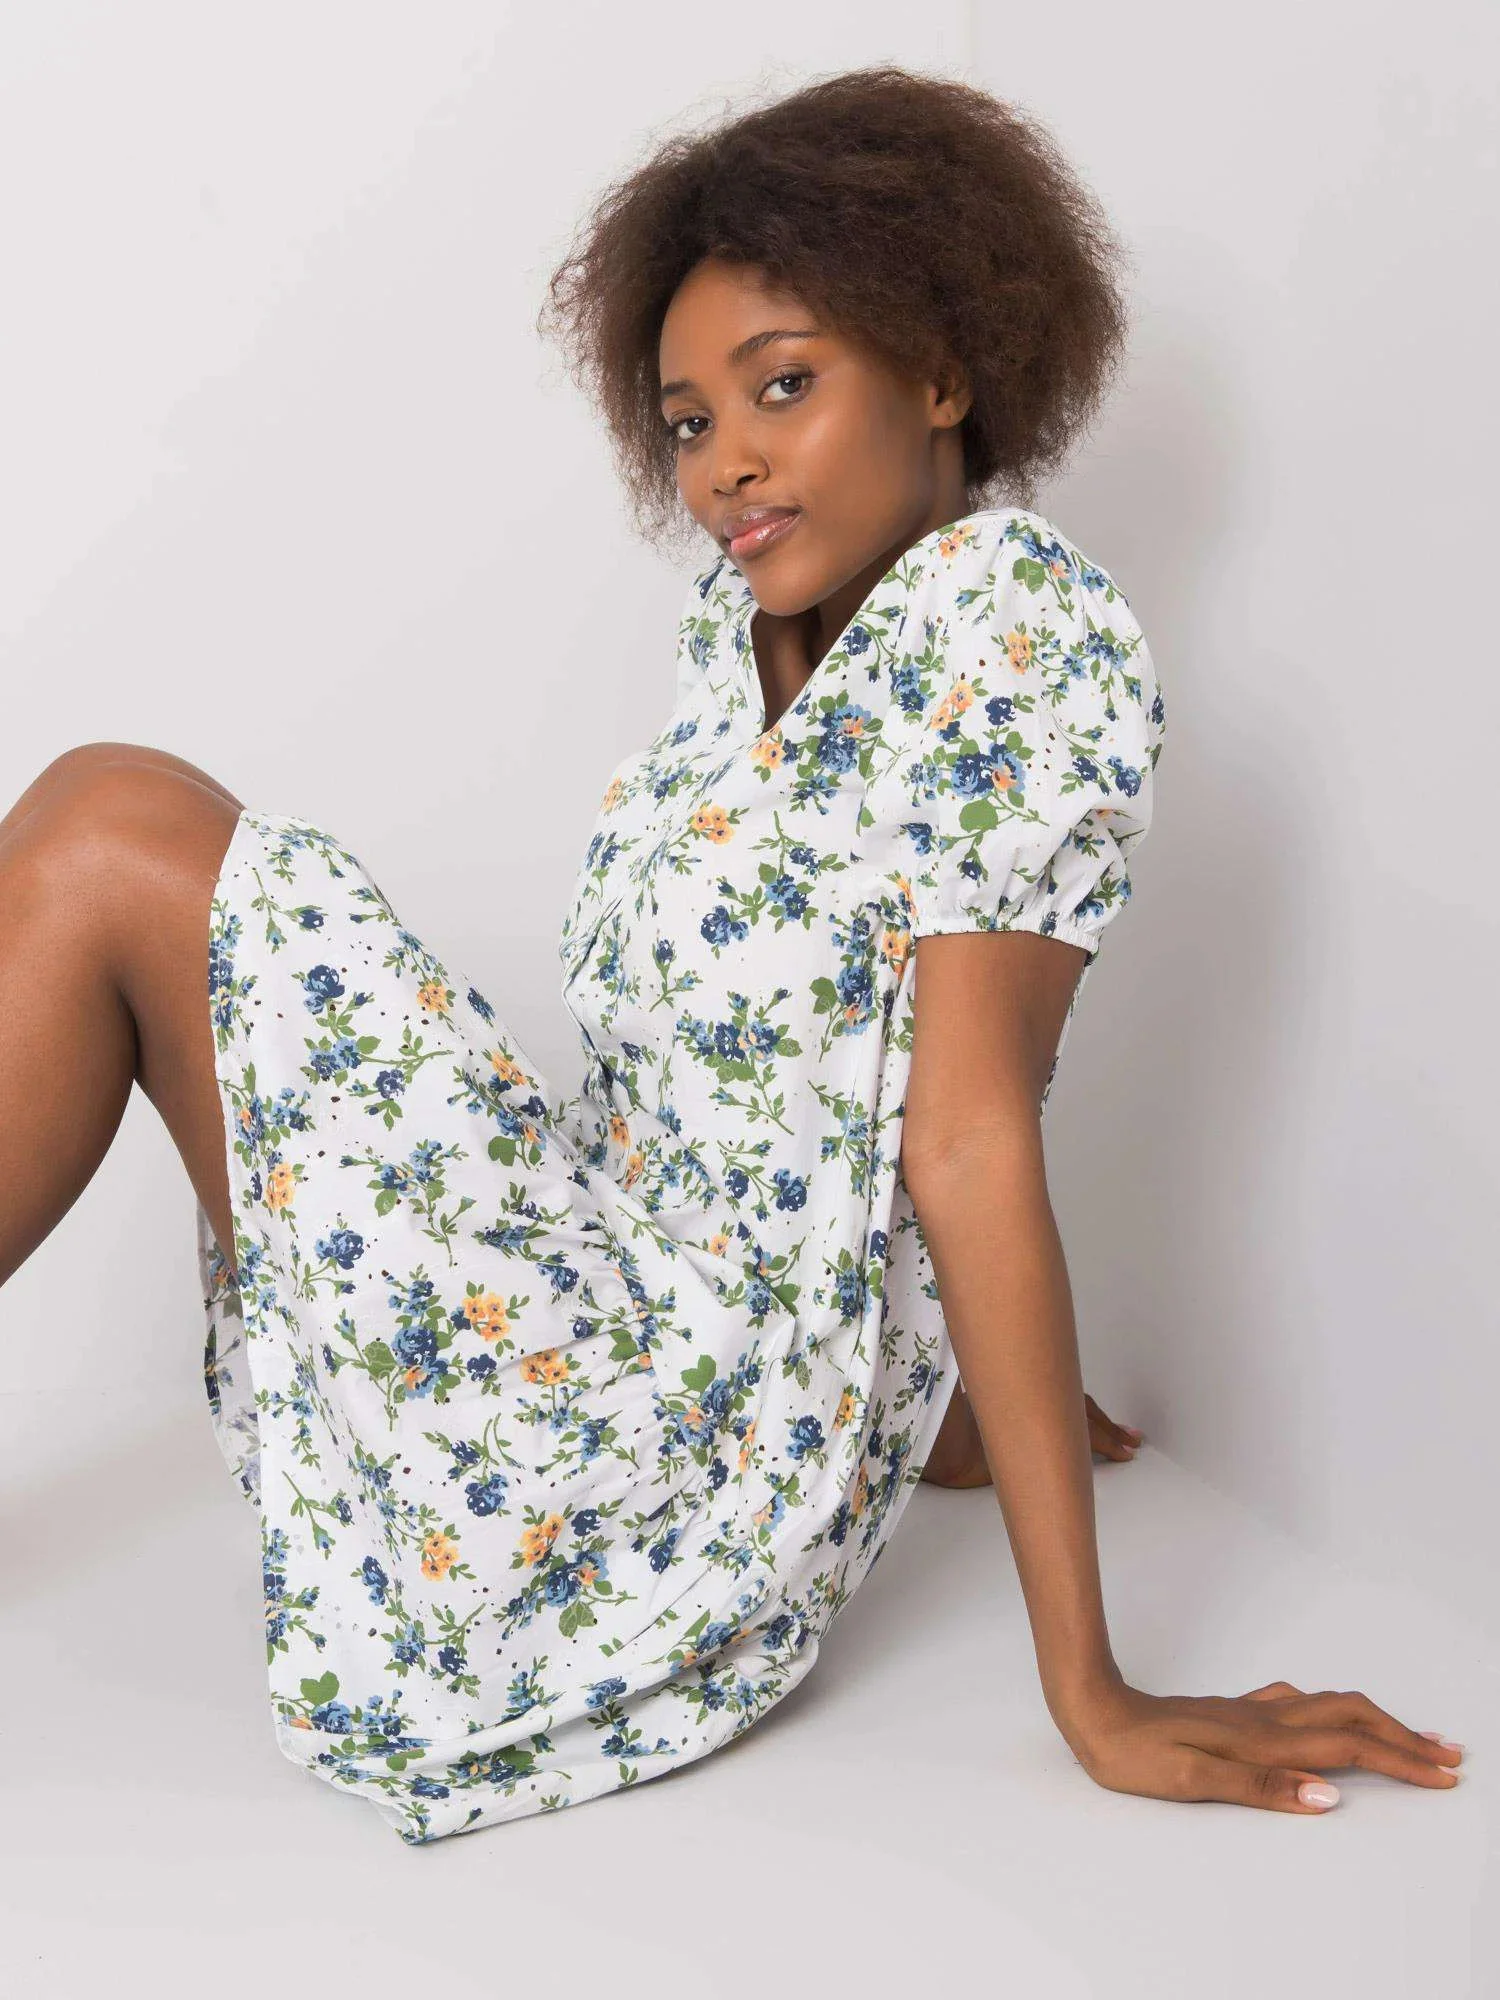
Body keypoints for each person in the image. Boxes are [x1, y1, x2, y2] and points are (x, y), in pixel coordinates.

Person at [0, 65, 1461, 1845]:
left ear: (943, 369)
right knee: (111, 819)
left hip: (659, 1441)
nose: (726, 465)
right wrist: (938, 1382)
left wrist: (1092, 1688)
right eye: (688, 420)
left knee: (110, 828)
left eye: (784, 385)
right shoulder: (743, 641)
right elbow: (799, 1078)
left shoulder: (1014, 623)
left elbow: (966, 1124)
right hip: (582, 1277)